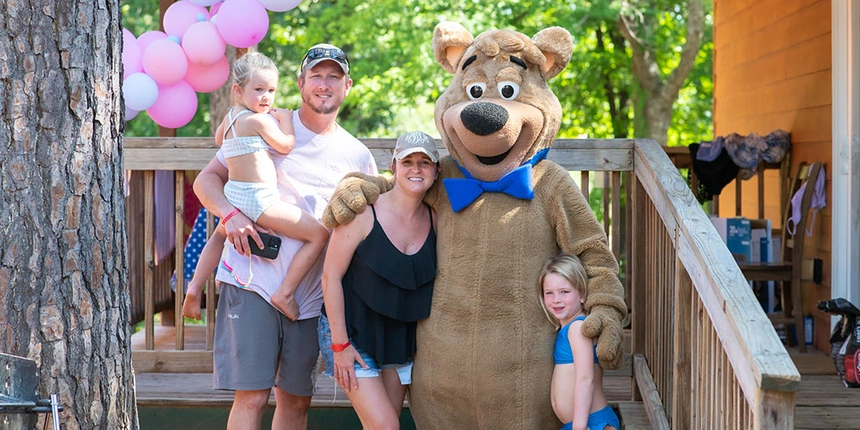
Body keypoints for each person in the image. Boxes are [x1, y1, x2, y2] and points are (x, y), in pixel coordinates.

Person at [193, 43, 378, 430]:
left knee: (295, 401)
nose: (324, 85)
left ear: (348, 86)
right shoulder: (267, 123)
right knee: (253, 396)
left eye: (334, 77)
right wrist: (230, 213)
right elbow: (207, 179)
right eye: (316, 76)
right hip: (251, 279)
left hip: (308, 298)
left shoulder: (358, 156)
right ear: (301, 82)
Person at [186, 52, 328, 319]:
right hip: (259, 199)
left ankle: (193, 288)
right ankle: (286, 293)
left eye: (271, 90)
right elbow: (285, 145)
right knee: (318, 234)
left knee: (218, 237)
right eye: (259, 89)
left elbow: (220, 142)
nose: (266, 97)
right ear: (238, 90)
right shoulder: (258, 120)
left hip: (235, 194)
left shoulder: (229, 120)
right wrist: (285, 119)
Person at [318, 131, 439, 428]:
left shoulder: (436, 219)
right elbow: (330, 277)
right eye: (408, 161)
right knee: (386, 426)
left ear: (436, 172)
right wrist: (339, 345)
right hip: (352, 334)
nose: (416, 169)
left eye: (425, 162)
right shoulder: (362, 214)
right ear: (393, 166)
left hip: (399, 339)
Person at [538, 253, 620, 430]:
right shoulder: (568, 329)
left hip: (591, 423)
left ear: (581, 294)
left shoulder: (578, 328)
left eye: (564, 292)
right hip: (579, 422)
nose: (556, 300)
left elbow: (585, 378)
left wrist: (579, 426)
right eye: (549, 293)